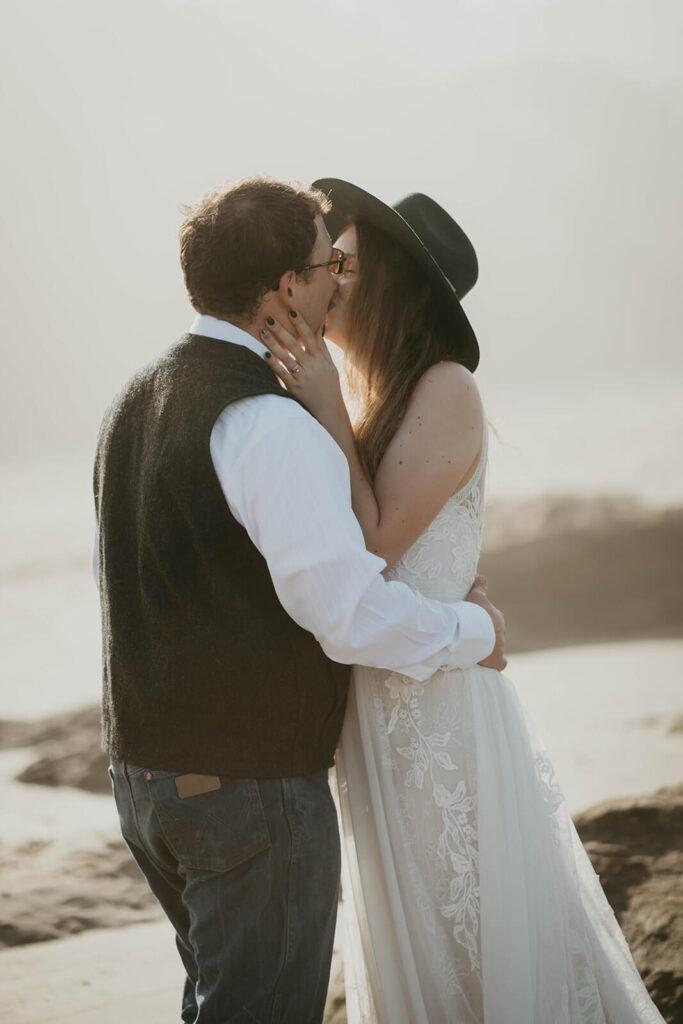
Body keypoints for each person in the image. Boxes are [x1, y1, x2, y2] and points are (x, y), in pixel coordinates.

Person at [92, 176, 507, 1024]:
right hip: (246, 788)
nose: (336, 282)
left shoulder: (136, 396)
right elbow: (349, 612)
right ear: (287, 286)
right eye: (328, 264)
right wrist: (473, 628)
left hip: (144, 780)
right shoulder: (270, 425)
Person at [258, 178, 666, 1023]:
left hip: (438, 714)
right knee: (419, 945)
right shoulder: (376, 399)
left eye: (349, 264)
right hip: (381, 703)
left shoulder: (445, 388)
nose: (330, 276)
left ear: (397, 286)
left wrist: (327, 403)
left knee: (470, 943)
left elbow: (368, 551)